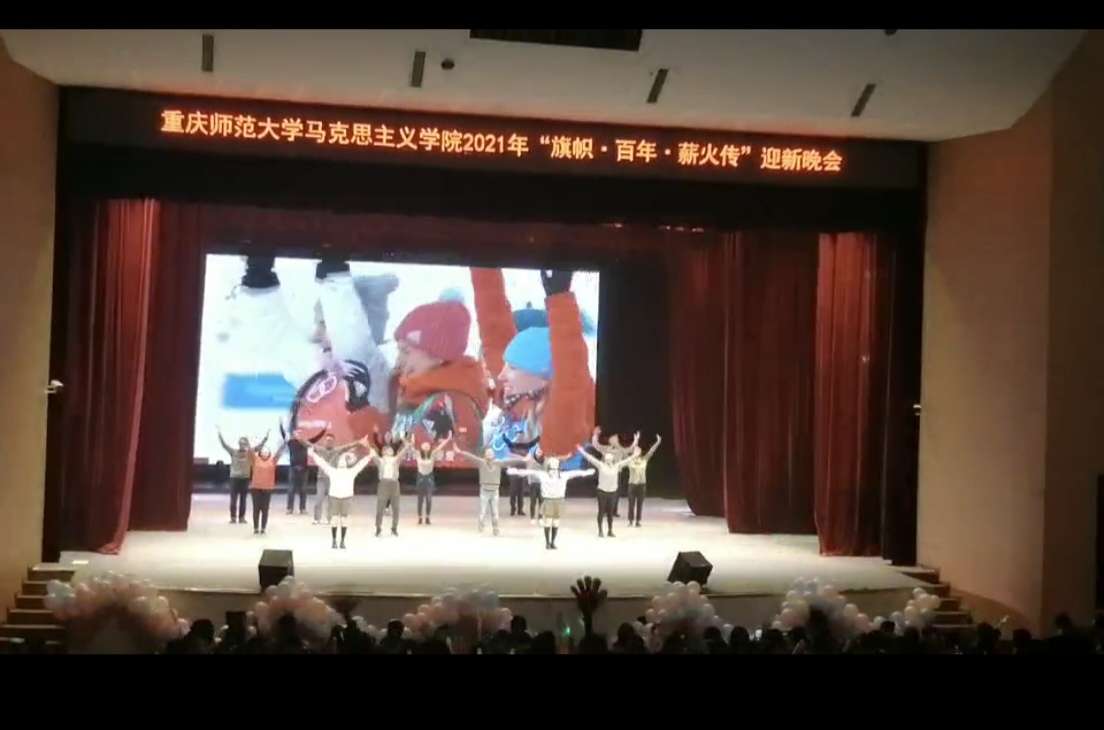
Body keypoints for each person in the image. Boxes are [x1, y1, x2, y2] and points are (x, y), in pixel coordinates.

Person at [507, 457, 594, 549]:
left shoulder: (563, 475)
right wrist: (515, 471)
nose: (554, 464)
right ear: (548, 465)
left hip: (559, 501)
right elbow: (529, 472)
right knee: (548, 522)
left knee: (556, 523)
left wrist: (587, 472)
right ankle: (547, 543)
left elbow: (577, 473)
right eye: (552, 462)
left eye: (556, 462)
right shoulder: (543, 475)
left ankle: (553, 542)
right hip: (548, 500)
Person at [309, 446, 373, 549]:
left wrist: (369, 456)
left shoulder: (349, 471)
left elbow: (361, 464)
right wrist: (313, 454)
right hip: (335, 497)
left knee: (343, 519)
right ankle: (335, 540)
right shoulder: (334, 471)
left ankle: (342, 541)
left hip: (345, 497)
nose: (342, 462)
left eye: (344, 461)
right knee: (335, 519)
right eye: (340, 461)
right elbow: (322, 463)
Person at [455, 447, 522, 535]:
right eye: (488, 452)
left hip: (495, 492)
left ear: (494, 454)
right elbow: (470, 457)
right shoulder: (481, 462)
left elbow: (510, 461)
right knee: (482, 512)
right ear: (485, 454)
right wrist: (460, 452)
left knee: (495, 512)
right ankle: (481, 526)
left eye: (491, 452)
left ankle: (495, 528)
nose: (489, 454)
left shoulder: (498, 463)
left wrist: (522, 459)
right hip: (484, 492)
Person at [299, 433, 360, 526]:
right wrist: (299, 438)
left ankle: (329, 518)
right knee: (319, 499)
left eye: (331, 441)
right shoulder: (320, 449)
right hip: (321, 479)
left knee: (331, 500)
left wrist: (359, 442)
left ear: (334, 442)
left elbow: (348, 446)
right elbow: (308, 444)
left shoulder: (337, 450)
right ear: (324, 441)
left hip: (333, 480)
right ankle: (317, 518)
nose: (329, 442)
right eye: (327, 440)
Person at [576, 447, 633, 537]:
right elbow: (590, 458)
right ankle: (600, 530)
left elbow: (627, 461)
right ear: (604, 460)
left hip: (612, 493)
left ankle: (610, 530)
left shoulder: (617, 466)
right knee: (601, 512)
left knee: (610, 513)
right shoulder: (600, 465)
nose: (608, 461)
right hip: (602, 492)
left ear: (613, 460)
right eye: (606, 459)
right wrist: (582, 451)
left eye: (609, 459)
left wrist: (634, 456)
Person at [216, 427, 269, 524]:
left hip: (245, 479)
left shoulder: (249, 453)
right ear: (239, 444)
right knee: (233, 500)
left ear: (246, 444)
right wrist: (220, 435)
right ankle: (233, 517)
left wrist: (265, 438)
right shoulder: (233, 452)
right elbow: (224, 445)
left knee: (243, 500)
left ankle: (241, 517)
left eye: (244, 444)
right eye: (241, 443)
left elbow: (259, 447)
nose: (243, 445)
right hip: (234, 478)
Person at [591, 427, 639, 518]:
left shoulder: (620, 449)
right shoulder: (606, 448)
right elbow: (595, 445)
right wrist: (595, 435)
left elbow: (631, 449)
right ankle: (604, 510)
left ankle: (613, 510)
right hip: (605, 473)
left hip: (617, 473)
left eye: (616, 439)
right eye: (613, 439)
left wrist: (636, 440)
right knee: (604, 491)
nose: (615, 440)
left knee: (615, 492)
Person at [370, 440, 411, 537]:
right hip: (384, 483)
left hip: (394, 484)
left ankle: (394, 528)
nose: (389, 450)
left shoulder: (396, 459)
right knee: (380, 507)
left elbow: (403, 452)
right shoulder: (380, 460)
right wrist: (369, 446)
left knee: (396, 508)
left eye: (390, 449)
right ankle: (378, 528)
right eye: (387, 449)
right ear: (383, 452)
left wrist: (407, 445)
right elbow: (373, 454)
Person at [249, 439, 287, 535]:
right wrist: (250, 443)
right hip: (256, 488)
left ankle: (263, 528)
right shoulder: (255, 460)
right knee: (256, 509)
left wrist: (284, 444)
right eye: (263, 452)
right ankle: (256, 528)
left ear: (269, 453)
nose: (265, 454)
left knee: (265, 509)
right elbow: (250, 451)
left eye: (266, 452)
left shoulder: (272, 461)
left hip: (267, 488)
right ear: (260, 453)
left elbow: (279, 453)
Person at [414, 433, 452, 525]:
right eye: (424, 444)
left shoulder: (432, 454)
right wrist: (404, 439)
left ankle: (427, 517)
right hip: (420, 478)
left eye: (428, 445)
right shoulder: (418, 454)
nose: (426, 446)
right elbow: (410, 447)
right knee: (420, 500)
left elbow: (440, 447)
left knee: (429, 499)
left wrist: (448, 439)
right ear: (421, 447)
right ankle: (420, 517)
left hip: (429, 478)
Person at [280, 422, 317, 515]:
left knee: (303, 489)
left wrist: (324, 430)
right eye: (297, 433)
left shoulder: (305, 443)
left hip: (304, 469)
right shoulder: (291, 443)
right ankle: (289, 508)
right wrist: (281, 426)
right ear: (293, 435)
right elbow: (284, 435)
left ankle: (303, 508)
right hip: (293, 468)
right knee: (291, 489)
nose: (299, 435)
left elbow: (316, 439)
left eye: (300, 433)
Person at [626, 435, 662, 527]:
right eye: (635, 450)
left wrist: (657, 442)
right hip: (632, 484)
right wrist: (636, 440)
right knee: (631, 504)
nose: (637, 451)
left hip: (641, 485)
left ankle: (638, 521)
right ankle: (630, 520)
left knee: (640, 504)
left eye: (638, 450)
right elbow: (626, 452)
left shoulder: (644, 460)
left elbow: (651, 451)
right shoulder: (630, 461)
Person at [504, 435, 538, 517]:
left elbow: (528, 458)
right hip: (514, 471)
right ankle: (513, 509)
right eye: (518, 437)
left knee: (521, 492)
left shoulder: (526, 448)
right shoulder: (512, 447)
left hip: (523, 472)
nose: (520, 438)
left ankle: (520, 510)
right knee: (513, 492)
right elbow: (509, 455)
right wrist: (522, 458)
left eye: (521, 437)